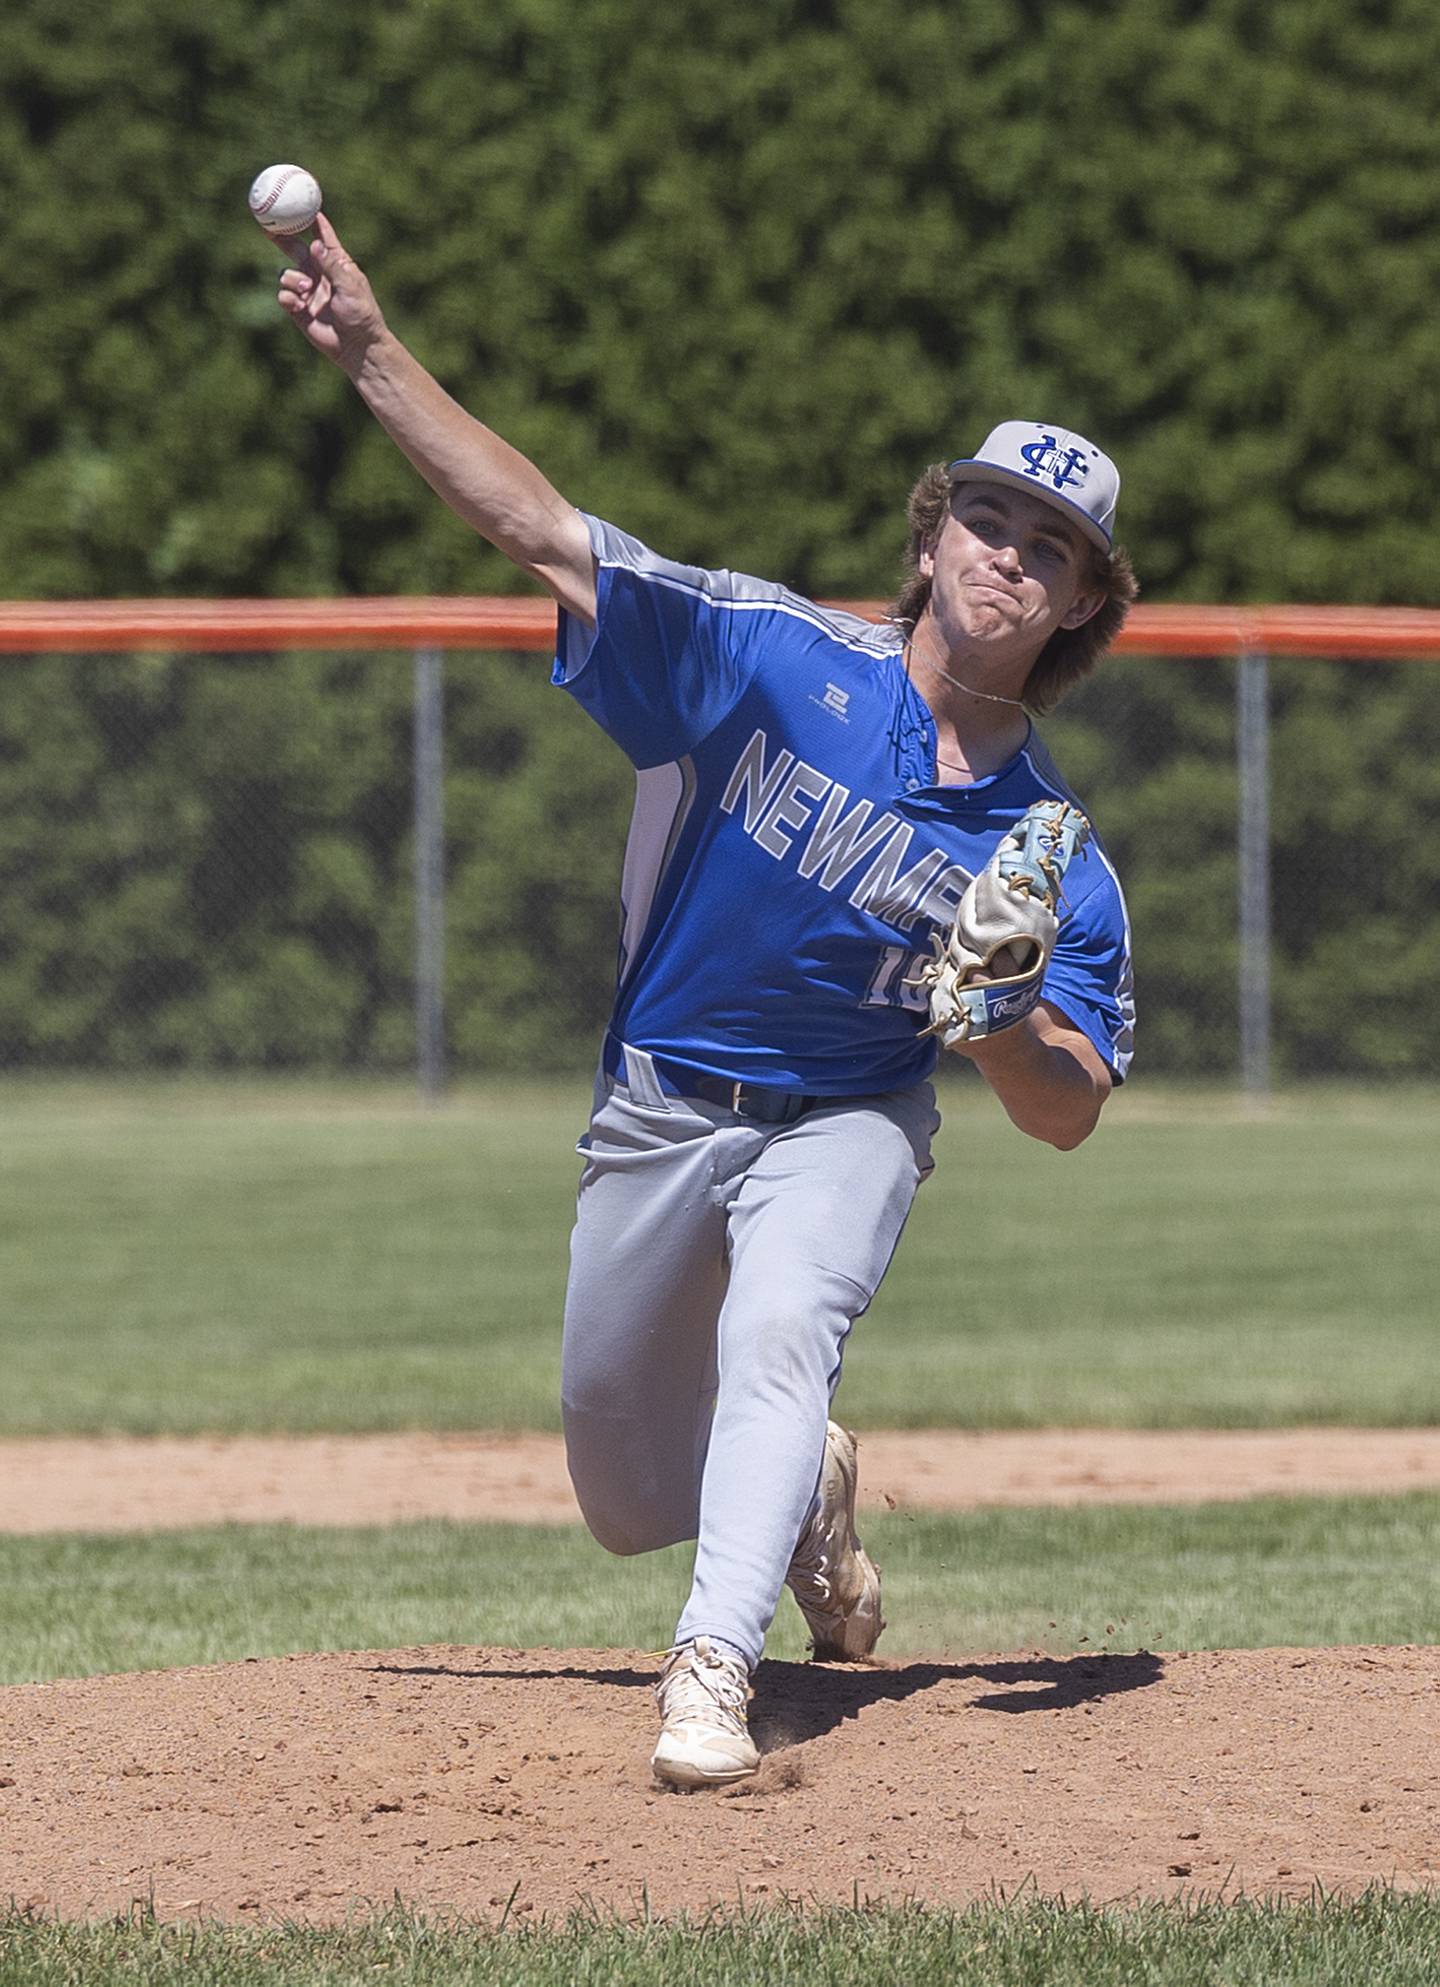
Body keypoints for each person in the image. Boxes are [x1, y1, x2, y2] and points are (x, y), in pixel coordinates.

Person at [276, 215, 1138, 1791]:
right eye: (990, 517)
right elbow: (541, 530)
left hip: (855, 1115)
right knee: (618, 1483)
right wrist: (375, 350)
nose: (1011, 552)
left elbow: (1068, 1112)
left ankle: (714, 1670)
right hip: (664, 1100)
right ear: (933, 537)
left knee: (781, 1328)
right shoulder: (766, 656)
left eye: (1052, 545)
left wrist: (1005, 1024)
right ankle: (803, 1485)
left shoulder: (1052, 856)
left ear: (1082, 601)